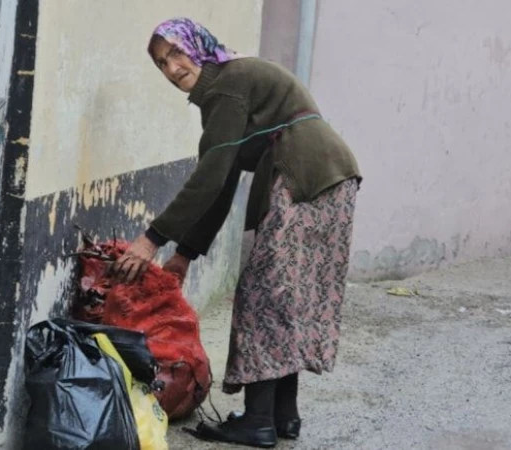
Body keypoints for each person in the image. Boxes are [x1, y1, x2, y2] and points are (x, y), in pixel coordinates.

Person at [109, 17, 362, 448]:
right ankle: (284, 415)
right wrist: (184, 254)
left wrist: (152, 239)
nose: (172, 69)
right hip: (326, 177)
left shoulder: (228, 83)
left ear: (198, 45)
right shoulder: (225, 90)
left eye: (177, 53)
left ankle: (258, 421)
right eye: (161, 63)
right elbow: (222, 184)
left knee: (264, 295)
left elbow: (209, 176)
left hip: (304, 177)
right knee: (285, 295)